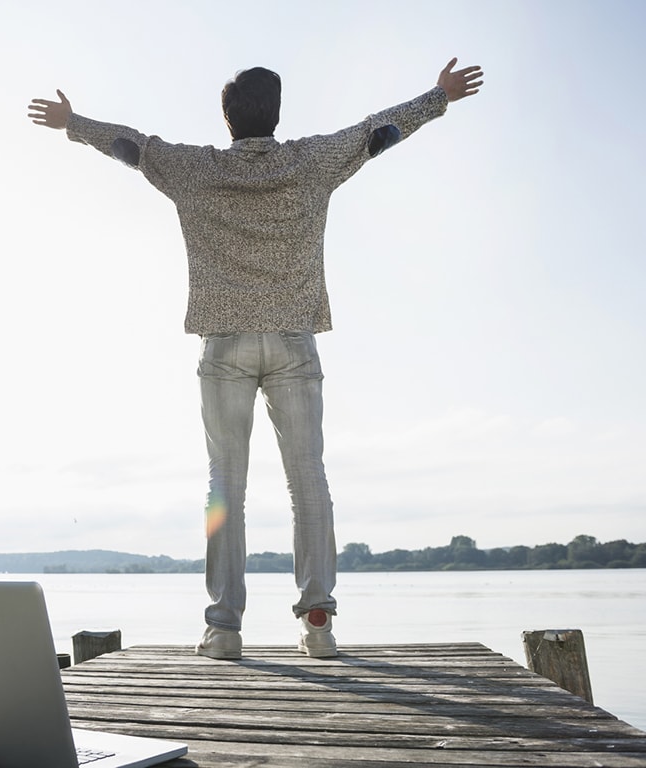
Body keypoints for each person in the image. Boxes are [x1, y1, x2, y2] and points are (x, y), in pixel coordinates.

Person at [28, 58, 484, 660]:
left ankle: (223, 630)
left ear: (228, 119)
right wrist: (439, 95)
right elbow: (380, 132)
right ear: (276, 114)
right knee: (309, 482)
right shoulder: (312, 161)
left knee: (225, 487)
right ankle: (317, 622)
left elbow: (130, 147)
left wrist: (71, 121)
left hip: (224, 344)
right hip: (294, 341)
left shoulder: (194, 169)